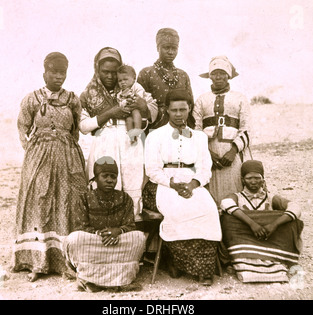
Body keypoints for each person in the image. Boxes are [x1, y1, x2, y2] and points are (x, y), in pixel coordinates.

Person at [13, 52, 88, 282]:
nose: (58, 77)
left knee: (68, 202)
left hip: (67, 157)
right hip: (39, 159)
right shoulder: (32, 99)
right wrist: (35, 151)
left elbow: (75, 129)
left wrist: (63, 146)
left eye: (62, 72)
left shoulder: (73, 99)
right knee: (39, 201)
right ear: (44, 72)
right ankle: (37, 261)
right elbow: (23, 128)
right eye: (54, 72)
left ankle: (66, 261)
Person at [143, 89, 222, 286]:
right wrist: (173, 184)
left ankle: (204, 269)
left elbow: (205, 168)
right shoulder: (156, 136)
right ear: (167, 110)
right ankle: (175, 261)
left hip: (192, 181)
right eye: (174, 110)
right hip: (164, 183)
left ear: (189, 109)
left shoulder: (199, 137)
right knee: (178, 209)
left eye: (183, 109)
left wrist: (192, 184)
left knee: (208, 209)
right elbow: (152, 170)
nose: (178, 114)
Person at [79, 47, 158, 224]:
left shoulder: (132, 87)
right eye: (104, 72)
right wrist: (111, 112)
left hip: (131, 140)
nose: (110, 76)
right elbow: (83, 126)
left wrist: (142, 105)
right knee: (105, 183)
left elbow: (151, 113)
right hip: (103, 141)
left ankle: (131, 226)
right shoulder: (88, 94)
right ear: (97, 70)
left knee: (133, 180)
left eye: (114, 72)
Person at [63, 156, 146, 292]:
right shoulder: (84, 199)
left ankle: (114, 279)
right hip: (94, 241)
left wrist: (117, 232)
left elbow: (130, 225)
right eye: (105, 176)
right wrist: (100, 234)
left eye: (113, 177)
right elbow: (81, 226)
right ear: (95, 178)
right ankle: (90, 278)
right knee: (74, 239)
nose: (109, 180)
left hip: (117, 240)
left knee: (138, 237)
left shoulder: (125, 198)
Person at [220, 160, 304, 283]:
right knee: (227, 219)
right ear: (242, 180)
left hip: (268, 236)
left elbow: (295, 207)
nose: (253, 182)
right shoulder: (237, 197)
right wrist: (252, 224)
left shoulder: (271, 198)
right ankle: (241, 259)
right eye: (249, 178)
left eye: (257, 178)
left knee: (292, 222)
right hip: (245, 237)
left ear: (263, 180)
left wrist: (273, 225)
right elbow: (225, 203)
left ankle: (278, 257)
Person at [193, 55, 251, 207]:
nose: (218, 77)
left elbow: (246, 129)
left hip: (233, 152)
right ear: (210, 76)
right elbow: (196, 130)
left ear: (228, 75)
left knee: (235, 189)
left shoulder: (240, 98)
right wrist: (207, 153)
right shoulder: (201, 100)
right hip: (209, 151)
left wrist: (233, 152)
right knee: (210, 194)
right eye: (214, 73)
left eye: (222, 73)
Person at [137, 28, 195, 131]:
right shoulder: (146, 73)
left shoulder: (183, 75)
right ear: (157, 48)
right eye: (166, 48)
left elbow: (190, 106)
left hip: (180, 129)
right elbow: (141, 106)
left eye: (174, 48)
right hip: (155, 129)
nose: (170, 52)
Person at [117, 64, 156, 144]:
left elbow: (139, 98)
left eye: (125, 79)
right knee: (128, 120)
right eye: (120, 81)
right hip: (130, 110)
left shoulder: (137, 87)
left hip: (139, 108)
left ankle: (137, 132)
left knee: (136, 113)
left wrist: (129, 98)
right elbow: (119, 102)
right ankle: (132, 137)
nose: (122, 82)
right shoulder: (120, 93)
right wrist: (123, 103)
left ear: (134, 78)